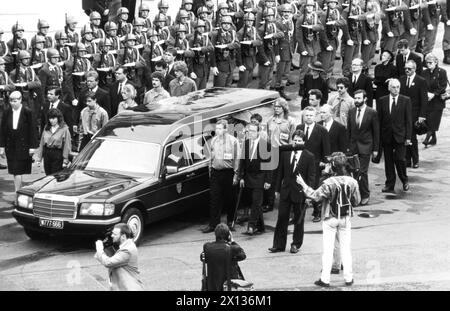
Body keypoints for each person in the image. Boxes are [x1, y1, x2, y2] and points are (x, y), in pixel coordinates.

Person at [296, 152, 361, 287]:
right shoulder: (352, 181)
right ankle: (349, 278)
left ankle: (325, 279)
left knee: (328, 249)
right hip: (345, 218)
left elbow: (315, 196)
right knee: (346, 249)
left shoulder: (328, 182)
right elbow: (357, 201)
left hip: (330, 218)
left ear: (332, 166)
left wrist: (303, 184)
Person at [269, 130, 315, 254]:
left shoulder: (309, 156)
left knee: (298, 220)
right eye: (295, 140)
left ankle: (296, 244)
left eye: (299, 141)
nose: (296, 142)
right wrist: (277, 190)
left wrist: (308, 194)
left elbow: (311, 177)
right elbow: (280, 173)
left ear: (304, 142)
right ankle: (278, 245)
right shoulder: (286, 153)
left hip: (300, 193)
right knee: (282, 218)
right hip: (286, 191)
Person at [202, 120, 241, 233]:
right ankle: (213, 224)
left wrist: (236, 175)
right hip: (216, 172)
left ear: (225, 129)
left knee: (231, 198)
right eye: (217, 128)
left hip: (228, 172)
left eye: (220, 128)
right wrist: (210, 170)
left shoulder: (233, 141)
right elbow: (210, 157)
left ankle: (231, 221)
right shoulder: (214, 141)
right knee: (214, 199)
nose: (217, 131)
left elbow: (237, 159)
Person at [296, 107, 331, 222]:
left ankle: (316, 212)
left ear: (315, 116)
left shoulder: (322, 130)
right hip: (300, 162)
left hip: (315, 164)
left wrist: (325, 163)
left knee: (314, 188)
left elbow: (326, 149)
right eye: (306, 115)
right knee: (299, 187)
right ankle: (297, 213)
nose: (308, 117)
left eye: (311, 115)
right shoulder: (299, 128)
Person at [237, 123, 272, 235]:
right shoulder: (246, 143)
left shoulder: (265, 145)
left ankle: (251, 226)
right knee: (255, 202)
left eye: (252, 131)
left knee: (256, 202)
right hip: (248, 177)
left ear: (258, 132)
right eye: (248, 131)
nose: (250, 133)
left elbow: (269, 164)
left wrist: (268, 180)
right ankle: (261, 227)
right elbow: (242, 161)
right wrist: (241, 177)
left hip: (260, 177)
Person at [378, 78, 412, 193]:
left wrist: (408, 137)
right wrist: (379, 138)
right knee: (388, 161)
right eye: (393, 87)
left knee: (400, 159)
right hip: (387, 135)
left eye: (398, 87)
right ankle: (390, 184)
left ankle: (404, 180)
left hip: (400, 136)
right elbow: (379, 120)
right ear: (389, 88)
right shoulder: (382, 100)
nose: (396, 89)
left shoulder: (405, 100)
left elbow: (408, 120)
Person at [0, 91, 38, 192]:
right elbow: (3, 130)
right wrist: (2, 147)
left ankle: (18, 192)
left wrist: (32, 147)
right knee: (14, 170)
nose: (13, 103)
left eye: (15, 101)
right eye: (11, 101)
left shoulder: (27, 112)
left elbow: (32, 129)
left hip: (23, 145)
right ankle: (18, 190)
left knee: (18, 170)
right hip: (11, 145)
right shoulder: (7, 112)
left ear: (20, 100)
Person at [347, 90, 380, 206]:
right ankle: (356, 195)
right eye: (355, 98)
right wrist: (348, 147)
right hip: (353, 147)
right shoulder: (351, 112)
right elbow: (349, 131)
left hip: (366, 146)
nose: (356, 100)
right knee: (353, 172)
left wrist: (376, 149)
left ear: (365, 99)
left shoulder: (372, 112)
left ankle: (365, 194)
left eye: (359, 98)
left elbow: (376, 132)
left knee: (362, 171)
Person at [95, 223, 144, 291]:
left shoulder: (127, 250)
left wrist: (99, 249)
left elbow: (108, 262)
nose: (112, 235)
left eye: (115, 234)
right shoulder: (126, 245)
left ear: (123, 236)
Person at [201, 223, 246, 291]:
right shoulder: (232, 249)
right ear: (228, 235)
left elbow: (202, 258)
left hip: (212, 286)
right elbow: (243, 255)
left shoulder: (207, 247)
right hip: (229, 286)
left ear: (215, 234)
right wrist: (233, 241)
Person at [399, 60, 427, 168]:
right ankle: (407, 159)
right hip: (403, 113)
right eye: (405, 68)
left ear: (414, 69)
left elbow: (424, 99)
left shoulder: (421, 81)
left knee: (412, 138)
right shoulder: (401, 79)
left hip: (415, 113)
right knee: (405, 136)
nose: (407, 70)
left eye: (409, 69)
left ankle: (415, 160)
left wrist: (422, 115)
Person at [421, 53, 448, 147]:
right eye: (427, 63)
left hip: (438, 100)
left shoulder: (442, 72)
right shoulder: (424, 73)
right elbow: (422, 84)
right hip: (428, 99)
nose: (428, 64)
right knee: (429, 120)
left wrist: (434, 94)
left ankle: (427, 138)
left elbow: (443, 85)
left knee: (434, 120)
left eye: (430, 62)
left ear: (436, 62)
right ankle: (434, 139)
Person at [35, 109, 72, 175]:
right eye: (50, 118)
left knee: (55, 176)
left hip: (57, 153)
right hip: (47, 153)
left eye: (53, 118)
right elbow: (42, 143)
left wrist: (65, 159)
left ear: (58, 118)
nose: (51, 120)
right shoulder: (46, 127)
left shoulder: (64, 129)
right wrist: (39, 157)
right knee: (48, 175)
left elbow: (67, 145)